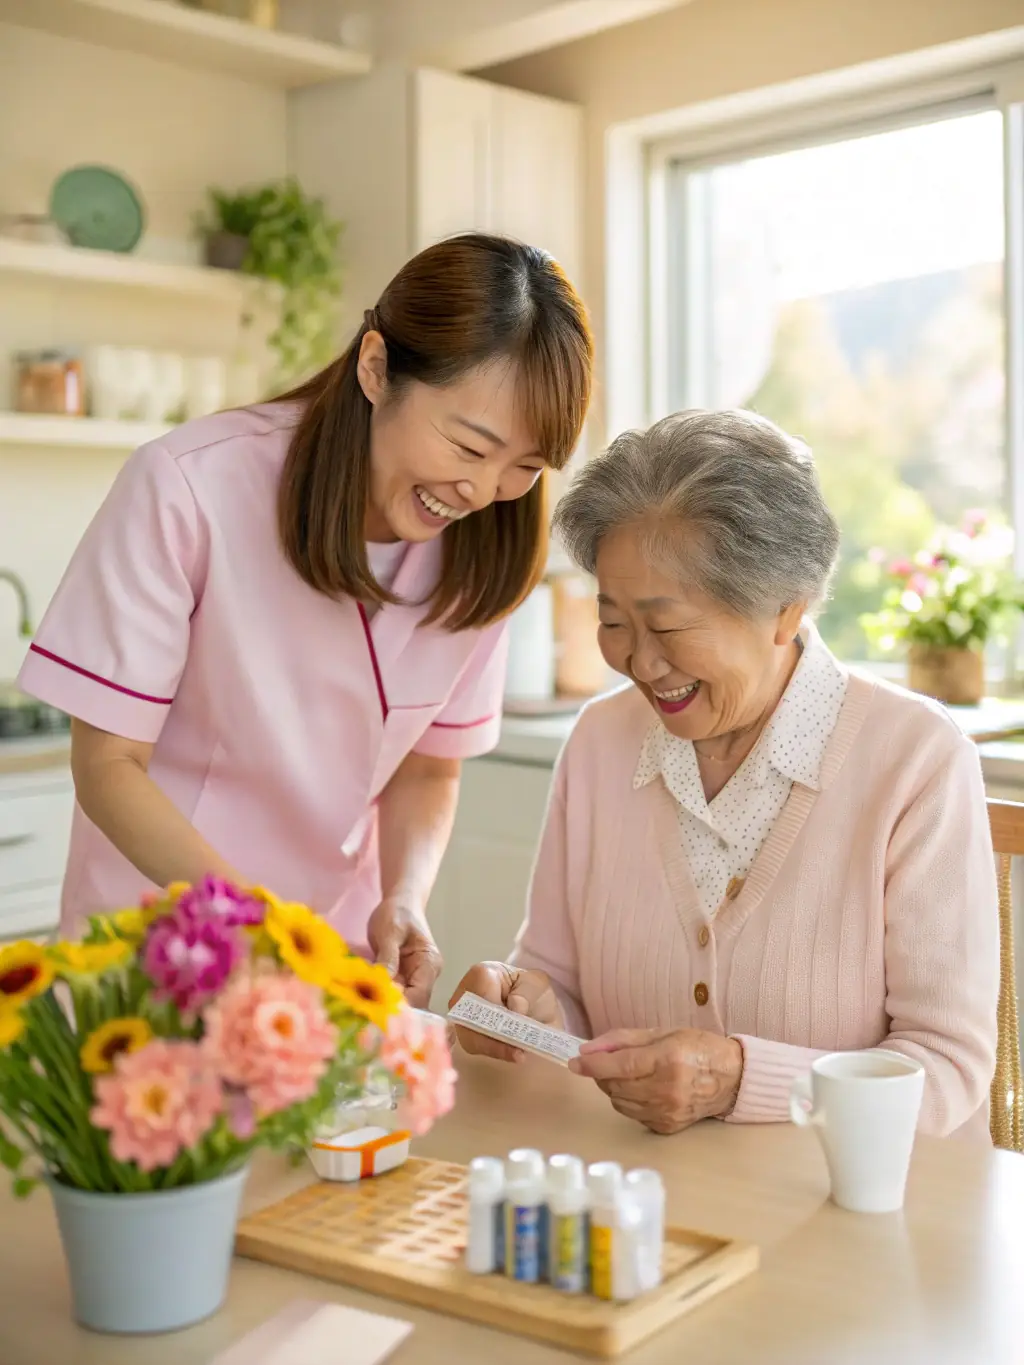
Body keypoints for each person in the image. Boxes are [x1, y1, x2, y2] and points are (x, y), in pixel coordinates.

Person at [18, 233, 593, 1007]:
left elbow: (428, 764)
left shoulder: (485, 553)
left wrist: (404, 895)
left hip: (327, 957)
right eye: (468, 445)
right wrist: (254, 924)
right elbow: (107, 765)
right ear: (376, 366)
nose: (482, 490)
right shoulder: (191, 486)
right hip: (152, 944)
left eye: (525, 467)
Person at [452, 409, 999, 1139]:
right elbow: (562, 986)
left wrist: (738, 1079)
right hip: (649, 1206)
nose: (641, 663)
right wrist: (524, 1009)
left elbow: (948, 1068)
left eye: (669, 626)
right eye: (614, 622)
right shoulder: (600, 742)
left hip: (858, 1221)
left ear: (786, 608)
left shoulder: (916, 761)